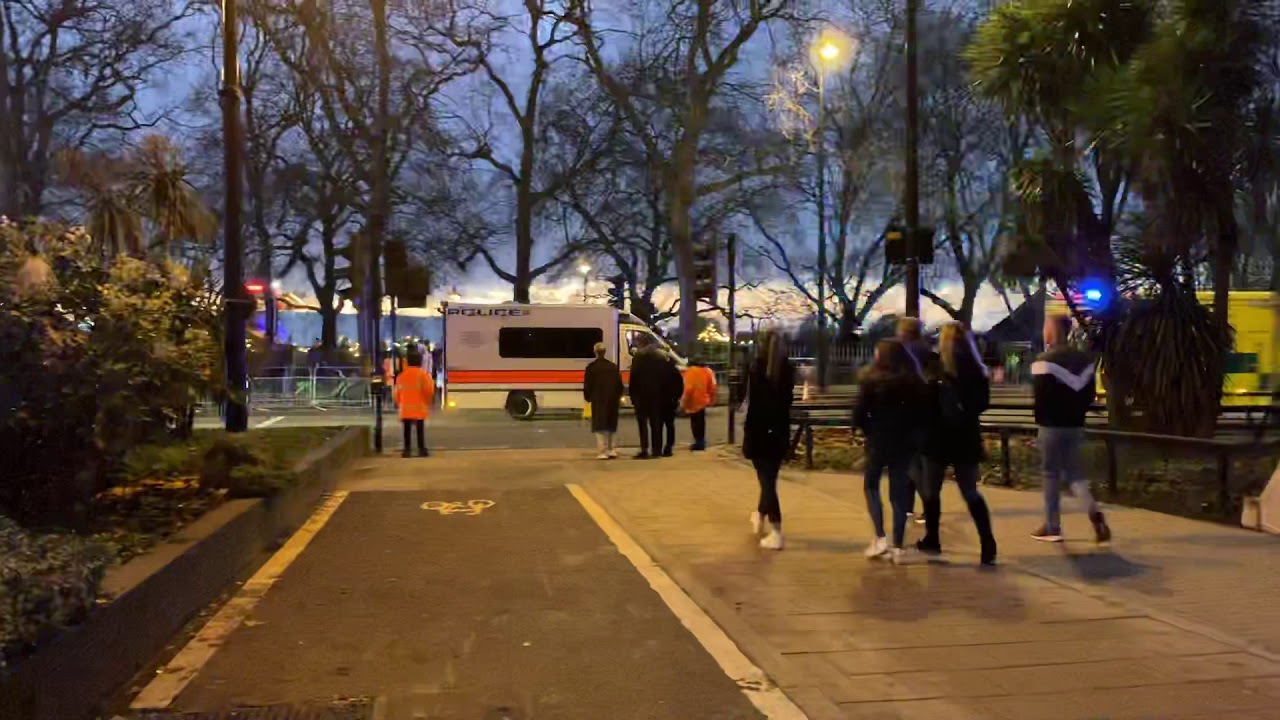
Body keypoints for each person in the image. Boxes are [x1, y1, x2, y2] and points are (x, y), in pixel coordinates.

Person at [917, 323, 997, 565]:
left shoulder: (936, 367)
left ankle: (932, 538)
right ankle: (987, 542)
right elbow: (983, 404)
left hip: (938, 436)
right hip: (966, 436)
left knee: (932, 490)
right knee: (970, 491)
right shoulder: (977, 370)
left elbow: (926, 403)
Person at [1032, 315, 1111, 543]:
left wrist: (1039, 426)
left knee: (1050, 474)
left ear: (1051, 330)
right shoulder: (1084, 361)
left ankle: (1052, 526)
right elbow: (1089, 396)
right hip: (1075, 425)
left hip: (1051, 426)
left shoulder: (1043, 361)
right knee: (1074, 474)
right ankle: (1093, 511)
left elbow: (1041, 400)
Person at [855, 339, 925, 562]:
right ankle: (898, 545)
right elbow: (922, 415)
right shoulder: (914, 382)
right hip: (904, 442)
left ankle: (879, 537)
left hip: (878, 440)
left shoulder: (871, 381)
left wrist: (869, 430)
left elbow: (858, 413)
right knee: (898, 492)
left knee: (871, 485)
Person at [743, 330, 795, 550]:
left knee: (766, 482)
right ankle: (760, 513)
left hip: (759, 431)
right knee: (769, 478)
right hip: (779, 430)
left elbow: (752, 402)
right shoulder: (787, 369)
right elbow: (787, 400)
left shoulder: (757, 367)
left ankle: (776, 529)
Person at [895, 317, 937, 524]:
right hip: (927, 413)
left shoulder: (903, 353)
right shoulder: (929, 352)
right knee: (917, 461)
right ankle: (909, 506)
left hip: (908, 413)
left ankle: (923, 507)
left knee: (911, 464)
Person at [628, 335, 667, 459]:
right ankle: (657, 450)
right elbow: (664, 379)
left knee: (642, 424)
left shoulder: (638, 358)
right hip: (657, 396)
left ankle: (644, 449)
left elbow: (633, 379)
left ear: (640, 344)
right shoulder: (660, 358)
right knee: (656, 424)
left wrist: (632, 396)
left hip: (641, 396)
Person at [583, 342, 624, 459]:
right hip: (612, 399)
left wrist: (588, 397)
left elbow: (587, 385)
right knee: (611, 424)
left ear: (595, 352)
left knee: (599, 425)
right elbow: (619, 385)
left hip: (598, 399)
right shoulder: (613, 367)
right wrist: (618, 396)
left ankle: (602, 451)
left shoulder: (591, 368)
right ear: (605, 352)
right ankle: (611, 449)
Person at [394, 352, 433, 458]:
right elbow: (429, 390)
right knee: (420, 430)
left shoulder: (401, 376)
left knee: (406, 430)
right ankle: (421, 449)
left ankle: (407, 450)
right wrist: (427, 402)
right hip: (419, 407)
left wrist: (400, 403)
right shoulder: (423, 375)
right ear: (420, 361)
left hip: (405, 409)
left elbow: (396, 392)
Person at [682, 356, 718, 451]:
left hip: (693, 401)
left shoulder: (690, 371)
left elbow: (688, 389)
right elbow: (713, 386)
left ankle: (698, 443)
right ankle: (701, 441)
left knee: (695, 422)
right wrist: (712, 399)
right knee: (701, 422)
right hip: (703, 400)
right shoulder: (708, 371)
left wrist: (683, 402)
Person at [659, 354, 684, 456]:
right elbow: (680, 386)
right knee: (670, 425)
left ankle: (657, 447)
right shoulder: (675, 371)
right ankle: (669, 447)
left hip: (659, 401)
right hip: (671, 401)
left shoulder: (658, 370)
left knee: (658, 425)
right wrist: (676, 398)